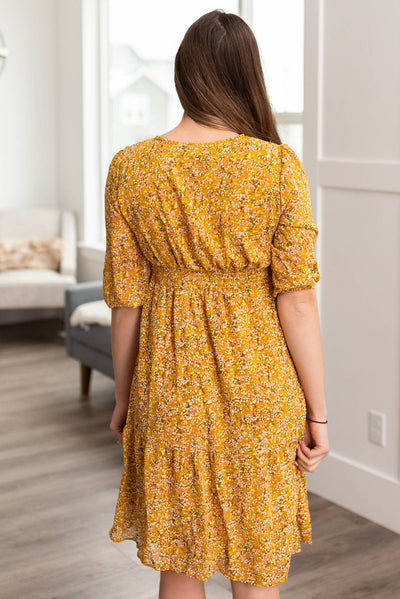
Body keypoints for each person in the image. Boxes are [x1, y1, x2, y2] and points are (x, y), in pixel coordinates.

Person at [103, 8, 329, 599]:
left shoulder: (132, 168)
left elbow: (126, 302)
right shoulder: (278, 166)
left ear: (183, 76)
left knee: (179, 561)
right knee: (257, 567)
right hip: (259, 389)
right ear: (247, 76)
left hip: (168, 385)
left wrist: (125, 399)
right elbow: (298, 300)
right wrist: (318, 413)